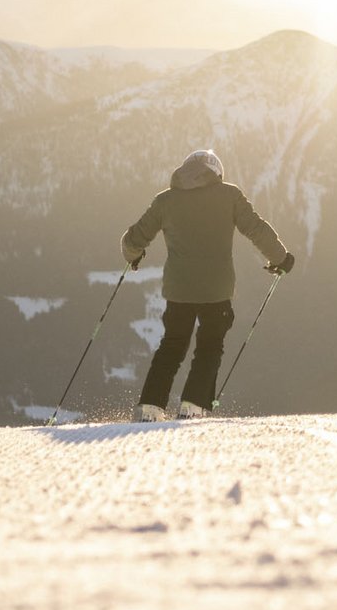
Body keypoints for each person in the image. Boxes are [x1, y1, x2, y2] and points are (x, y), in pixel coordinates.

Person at [121, 149, 294, 421]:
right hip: (217, 291)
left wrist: (133, 255)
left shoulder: (165, 200)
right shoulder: (230, 195)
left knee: (172, 345)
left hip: (179, 291)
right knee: (210, 346)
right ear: (216, 173)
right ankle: (192, 405)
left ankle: (150, 408)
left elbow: (134, 239)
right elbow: (256, 228)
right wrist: (281, 258)